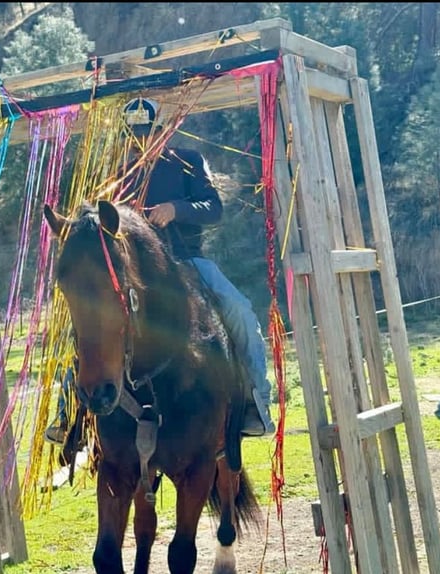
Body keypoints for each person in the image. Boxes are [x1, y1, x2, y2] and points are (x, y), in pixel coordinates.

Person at [45, 96, 275, 443]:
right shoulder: (116, 176)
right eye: (130, 134)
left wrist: (176, 208)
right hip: (138, 274)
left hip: (188, 261)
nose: (137, 141)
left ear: (160, 131)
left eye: (144, 132)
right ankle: (69, 414)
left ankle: (255, 403)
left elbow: (213, 208)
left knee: (239, 311)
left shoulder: (188, 162)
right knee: (86, 322)